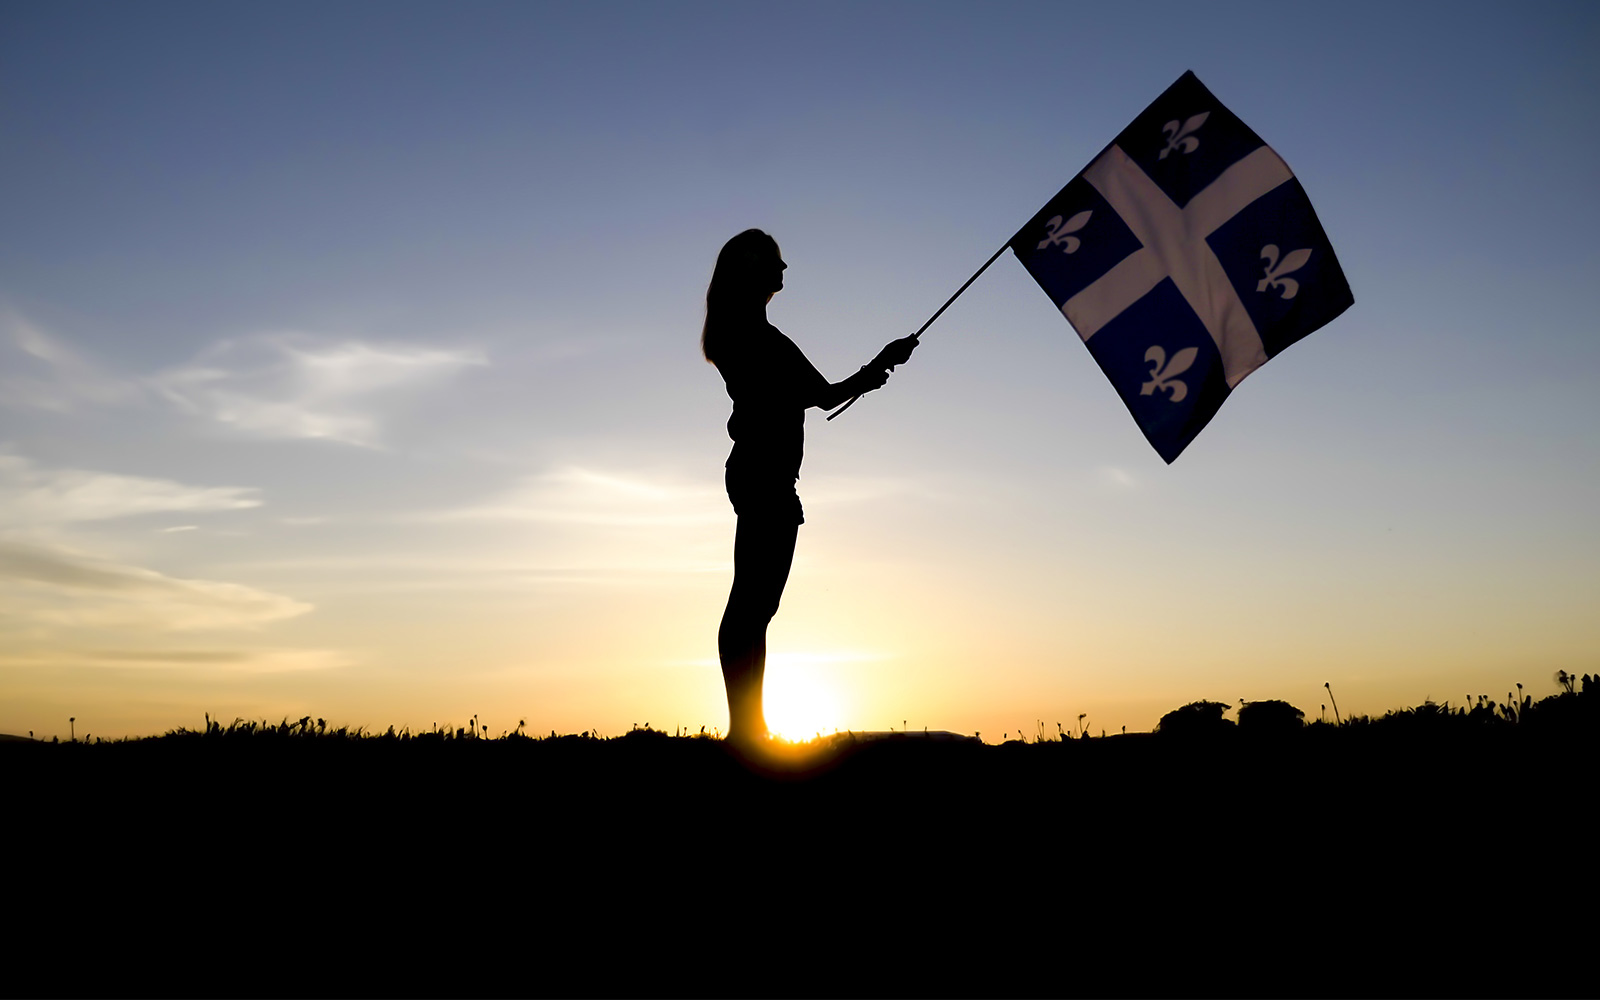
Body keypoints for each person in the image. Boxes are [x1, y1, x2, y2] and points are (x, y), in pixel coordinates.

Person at [702, 229, 917, 748]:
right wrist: (878, 365)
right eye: (776, 262)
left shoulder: (753, 335)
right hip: (762, 475)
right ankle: (745, 732)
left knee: (759, 606)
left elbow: (819, 396)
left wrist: (879, 366)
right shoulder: (753, 338)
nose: (785, 269)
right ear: (755, 272)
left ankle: (750, 728)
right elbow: (822, 396)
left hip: (765, 474)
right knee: (751, 605)